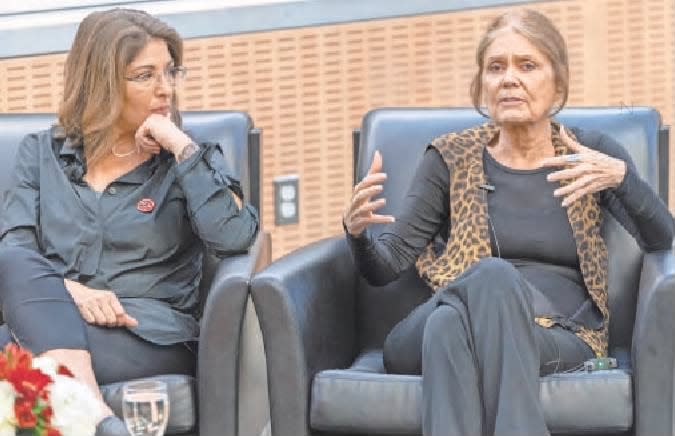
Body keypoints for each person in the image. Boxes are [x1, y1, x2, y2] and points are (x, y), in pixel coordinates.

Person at [343, 9, 673, 436]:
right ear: (482, 82)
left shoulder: (587, 154)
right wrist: (356, 234)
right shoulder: (450, 157)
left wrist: (623, 179)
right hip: (420, 335)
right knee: (490, 280)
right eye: (496, 67)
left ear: (558, 83)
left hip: (557, 335)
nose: (509, 79)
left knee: (448, 328)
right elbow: (384, 266)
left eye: (527, 65)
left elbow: (663, 239)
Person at [0, 8, 258, 436]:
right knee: (12, 259)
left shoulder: (188, 160)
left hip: (144, 334)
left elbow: (235, 236)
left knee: (13, 356)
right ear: (100, 82)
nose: (165, 89)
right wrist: (75, 292)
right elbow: (17, 253)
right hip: (51, 313)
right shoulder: (40, 154)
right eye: (145, 76)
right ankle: (98, 417)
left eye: (171, 73)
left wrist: (178, 143)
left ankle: (88, 412)